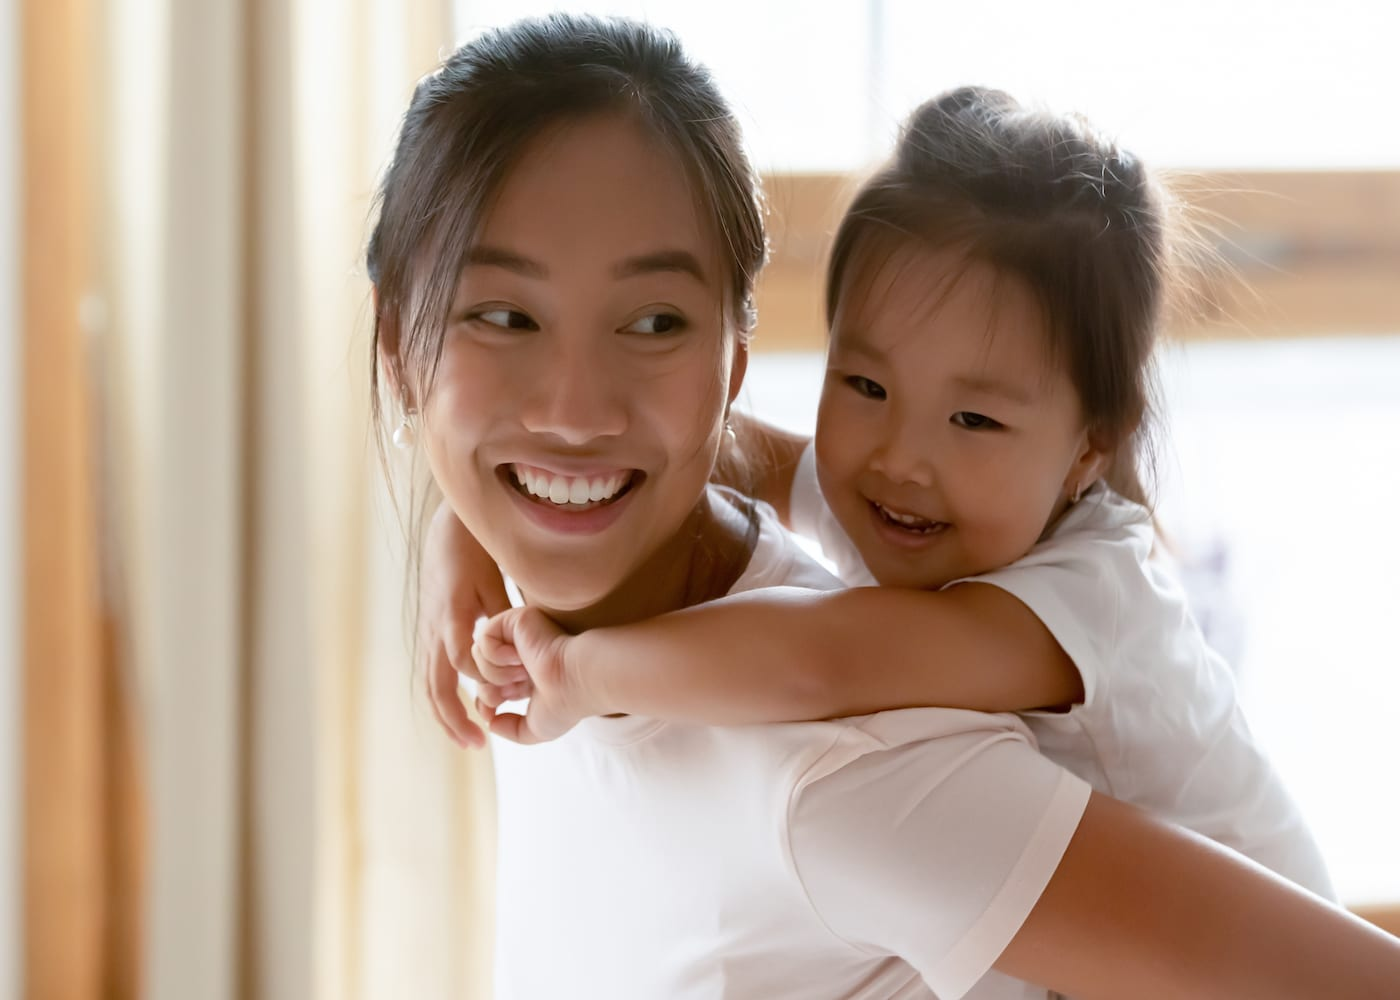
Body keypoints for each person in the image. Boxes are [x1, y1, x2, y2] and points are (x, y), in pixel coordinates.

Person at [375, 14, 1400, 999]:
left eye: (652, 320)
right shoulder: (900, 500)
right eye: (502, 315)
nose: (573, 411)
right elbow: (698, 452)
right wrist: (454, 522)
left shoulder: (938, 705)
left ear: (732, 358)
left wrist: (576, 673)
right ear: (398, 347)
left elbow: (822, 660)